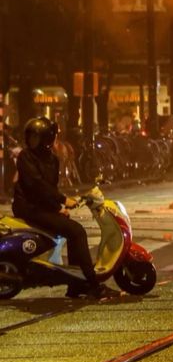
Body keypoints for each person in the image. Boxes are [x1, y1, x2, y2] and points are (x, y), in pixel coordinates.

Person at [12, 118, 113, 298]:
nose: (32, 142)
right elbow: (36, 185)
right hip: (28, 208)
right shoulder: (25, 157)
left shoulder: (53, 159)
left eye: (36, 138)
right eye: (31, 138)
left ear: (47, 139)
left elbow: (49, 188)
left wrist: (57, 207)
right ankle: (91, 282)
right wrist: (62, 201)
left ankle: (75, 283)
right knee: (78, 232)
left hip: (41, 206)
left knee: (72, 231)